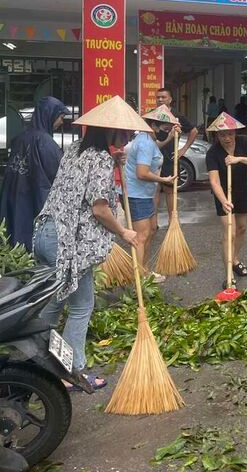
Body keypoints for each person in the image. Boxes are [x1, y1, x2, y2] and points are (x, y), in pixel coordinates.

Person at [32, 96, 144, 390]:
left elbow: (80, 185)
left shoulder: (75, 151)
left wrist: (114, 160)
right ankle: (74, 372)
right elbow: (99, 208)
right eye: (126, 132)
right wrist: (124, 232)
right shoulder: (100, 160)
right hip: (68, 243)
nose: (129, 137)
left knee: (55, 304)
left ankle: (41, 366)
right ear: (112, 131)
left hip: (46, 233)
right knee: (82, 306)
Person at [0, 97, 68, 250]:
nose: (62, 122)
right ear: (50, 115)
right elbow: (59, 173)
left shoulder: (20, 138)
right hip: (35, 197)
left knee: (14, 232)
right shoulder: (46, 143)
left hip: (16, 193)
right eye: (61, 117)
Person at [205, 112, 247, 284]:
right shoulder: (213, 153)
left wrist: (238, 159)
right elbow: (214, 181)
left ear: (235, 132)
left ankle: (235, 258)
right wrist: (224, 201)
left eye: (230, 133)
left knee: (242, 228)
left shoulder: (244, 141)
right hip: (223, 195)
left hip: (243, 191)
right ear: (217, 135)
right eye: (222, 134)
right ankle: (228, 274)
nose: (227, 138)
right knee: (229, 233)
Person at [124, 107, 178, 283]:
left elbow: (154, 150)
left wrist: (170, 138)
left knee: (151, 229)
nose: (167, 130)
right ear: (154, 125)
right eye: (165, 128)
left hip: (144, 194)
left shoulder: (148, 139)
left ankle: (144, 271)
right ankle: (138, 280)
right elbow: (142, 173)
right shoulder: (145, 143)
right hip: (136, 195)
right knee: (141, 236)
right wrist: (164, 180)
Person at [154, 87, 198, 221]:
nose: (160, 100)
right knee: (154, 190)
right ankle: (152, 221)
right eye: (158, 97)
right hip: (152, 157)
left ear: (170, 99)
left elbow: (194, 131)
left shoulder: (177, 116)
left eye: (163, 97)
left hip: (170, 158)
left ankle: (172, 221)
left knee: (169, 191)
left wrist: (183, 150)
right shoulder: (151, 115)